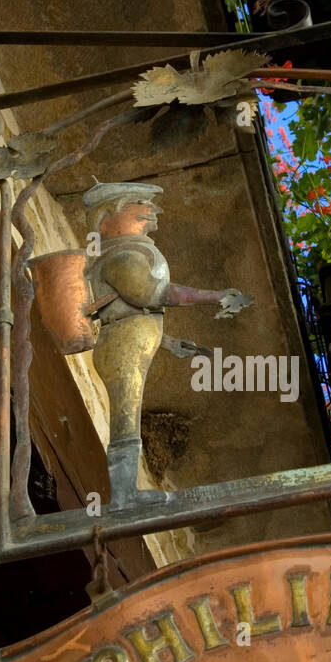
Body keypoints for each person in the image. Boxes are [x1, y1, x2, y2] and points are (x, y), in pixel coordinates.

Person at [83, 180, 252, 509]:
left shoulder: (130, 251)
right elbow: (152, 294)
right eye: (138, 204)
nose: (150, 212)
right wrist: (212, 295)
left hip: (130, 340)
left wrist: (170, 343)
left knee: (127, 414)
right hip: (122, 345)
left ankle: (125, 492)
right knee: (126, 416)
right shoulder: (123, 257)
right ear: (105, 218)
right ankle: (123, 495)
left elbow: (137, 310)